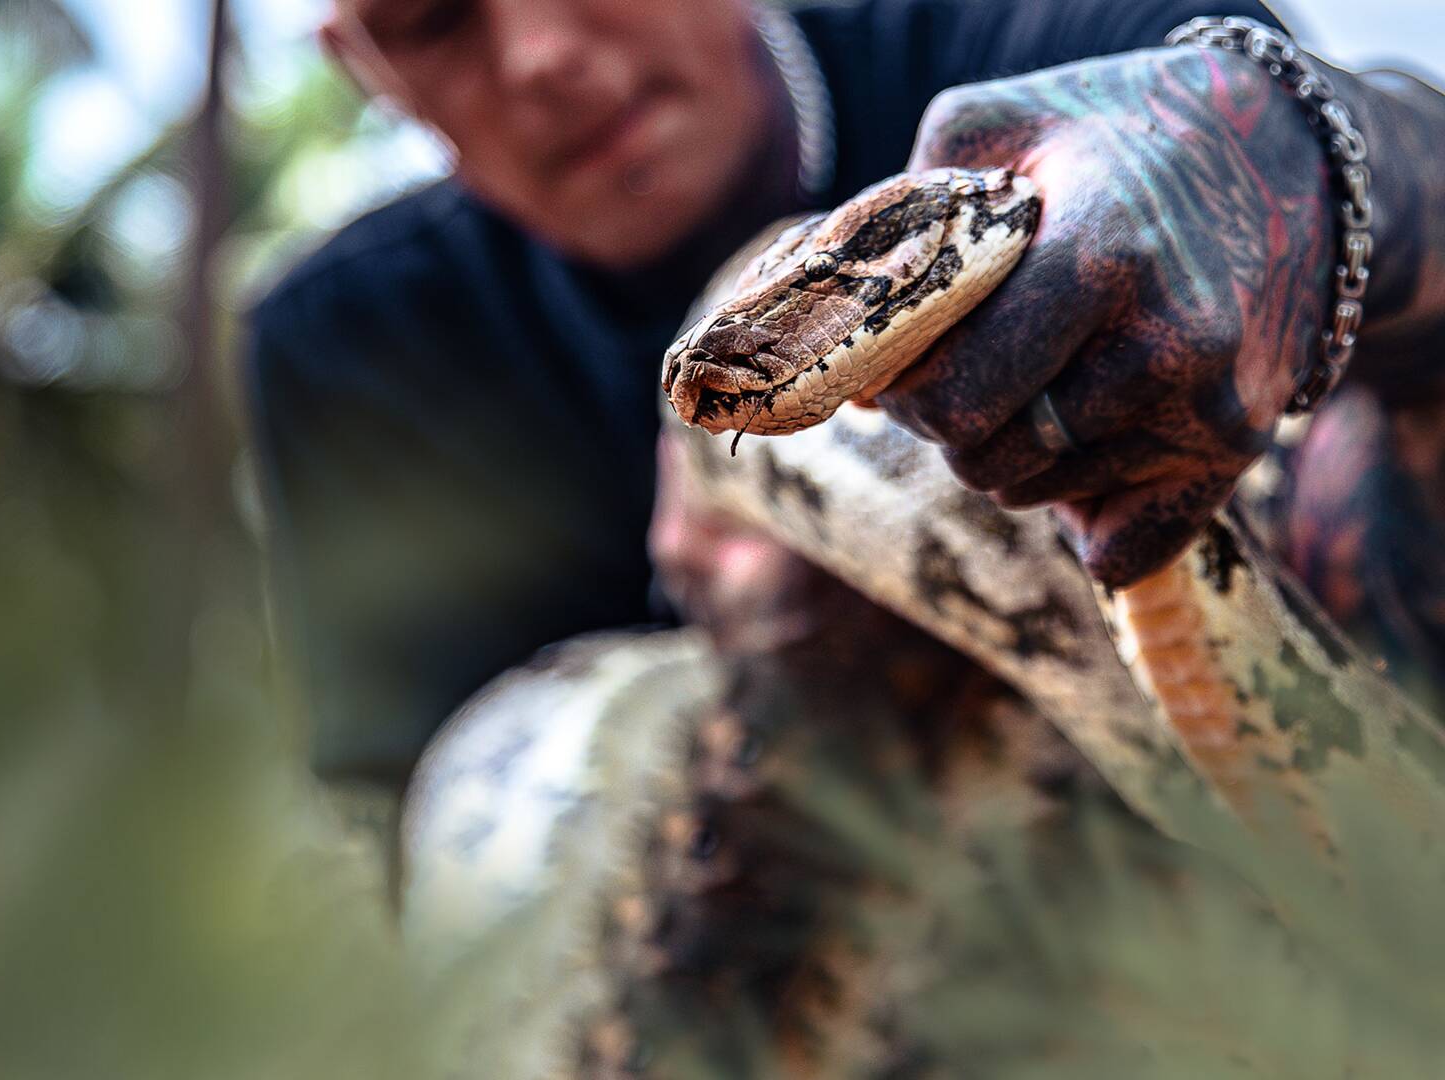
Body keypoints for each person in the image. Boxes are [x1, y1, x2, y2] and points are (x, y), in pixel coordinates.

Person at [245, 0, 1445, 794]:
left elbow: (1372, 170)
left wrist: (1305, 165)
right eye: (428, 15)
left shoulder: (1042, 27)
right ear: (366, 65)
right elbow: (436, 850)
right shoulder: (346, 350)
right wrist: (760, 701)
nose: (544, 52)